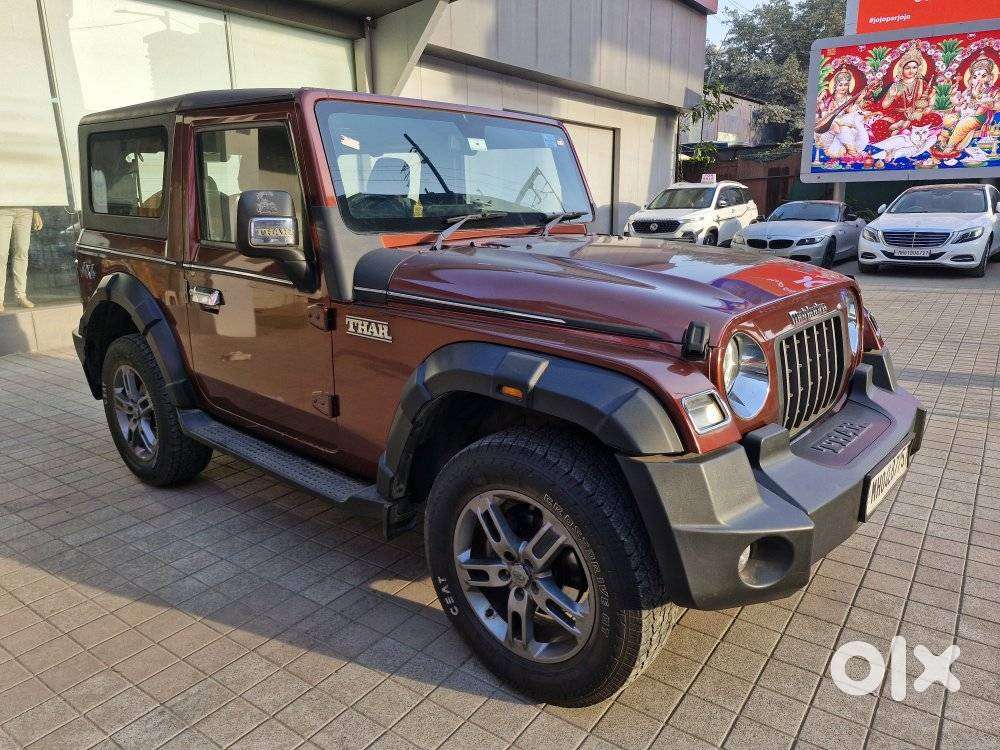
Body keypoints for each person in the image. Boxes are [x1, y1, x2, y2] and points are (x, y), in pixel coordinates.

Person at [944, 54, 999, 155]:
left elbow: (998, 105)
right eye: (975, 76)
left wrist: (986, 103)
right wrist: (955, 98)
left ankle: (949, 146)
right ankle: (952, 138)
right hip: (963, 114)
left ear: (990, 77)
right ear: (970, 79)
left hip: (979, 117)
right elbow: (959, 106)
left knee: (963, 124)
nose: (979, 79)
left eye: (983, 76)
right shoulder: (967, 92)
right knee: (947, 119)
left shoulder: (993, 91)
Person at [0, 207, 41, 313]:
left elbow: (33, 189)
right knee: (1, 254)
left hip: (25, 208)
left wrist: (36, 211)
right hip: (2, 207)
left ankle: (21, 295)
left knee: (22, 252)